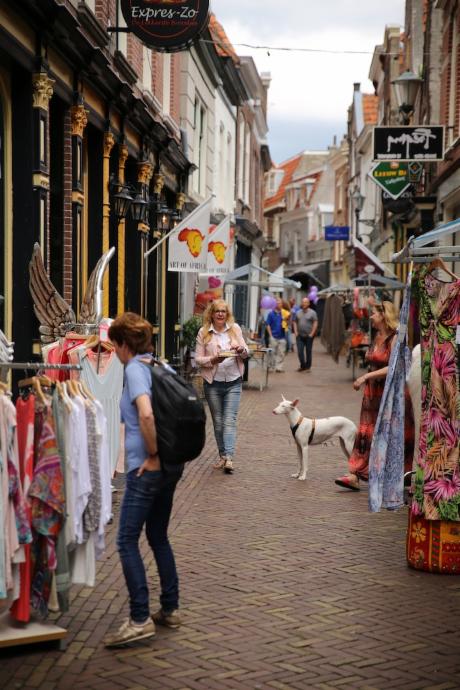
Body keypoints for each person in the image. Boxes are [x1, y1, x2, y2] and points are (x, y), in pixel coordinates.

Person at [104, 313, 184, 648]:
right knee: (157, 535)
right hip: (172, 466)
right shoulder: (159, 364)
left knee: (126, 541)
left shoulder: (136, 369)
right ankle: (169, 608)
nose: (114, 351)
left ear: (124, 343)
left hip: (148, 469)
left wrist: (151, 455)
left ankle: (139, 619)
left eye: (115, 345)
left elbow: (146, 412)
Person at [335, 301, 414, 491]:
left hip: (391, 393)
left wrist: (365, 376)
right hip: (373, 394)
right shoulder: (376, 336)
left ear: (384, 315)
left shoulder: (396, 338)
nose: (370, 317)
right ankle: (354, 474)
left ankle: (395, 474)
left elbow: (395, 367)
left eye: (374, 313)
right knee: (365, 433)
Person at [195, 300, 248, 474]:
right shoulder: (203, 333)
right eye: (217, 311)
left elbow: (247, 353)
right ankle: (223, 455)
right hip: (213, 383)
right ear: (211, 313)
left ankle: (229, 458)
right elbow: (198, 359)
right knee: (218, 422)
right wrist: (214, 359)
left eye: (223, 311)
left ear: (227, 314)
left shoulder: (235, 329)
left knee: (229, 420)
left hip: (233, 381)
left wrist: (240, 349)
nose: (220, 314)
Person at [292, 297, 318, 372]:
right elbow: (294, 322)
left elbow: (315, 322)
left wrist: (312, 333)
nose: (304, 304)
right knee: (300, 352)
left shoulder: (313, 313)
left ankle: (308, 367)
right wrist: (296, 332)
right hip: (299, 336)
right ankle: (303, 365)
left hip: (309, 335)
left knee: (308, 351)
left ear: (309, 304)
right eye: (303, 302)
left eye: (306, 302)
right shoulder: (298, 312)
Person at [266, 298, 290, 372]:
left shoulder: (284, 313)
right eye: (277, 303)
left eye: (280, 303)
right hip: (273, 336)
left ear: (282, 304)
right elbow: (268, 325)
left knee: (281, 353)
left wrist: (287, 320)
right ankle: (270, 366)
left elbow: (288, 323)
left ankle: (279, 368)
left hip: (282, 336)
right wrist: (270, 335)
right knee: (271, 352)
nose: (278, 304)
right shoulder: (271, 313)